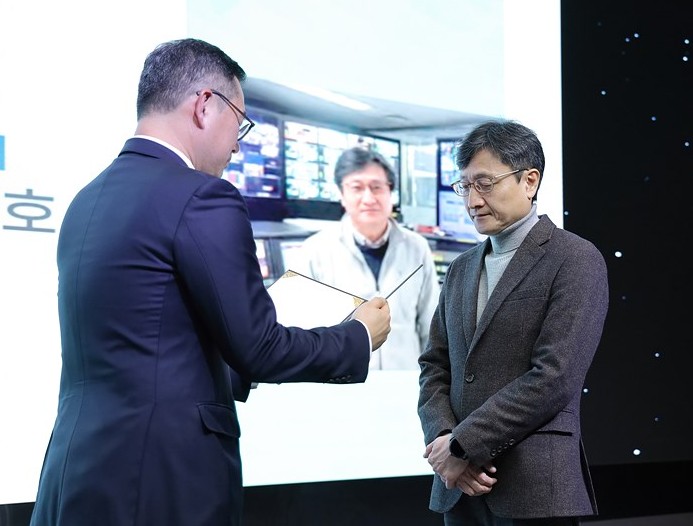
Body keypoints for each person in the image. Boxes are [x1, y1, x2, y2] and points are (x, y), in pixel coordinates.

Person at [29, 38, 391, 526]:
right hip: (163, 479)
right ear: (204, 105)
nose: (238, 145)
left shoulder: (86, 200)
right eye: (239, 122)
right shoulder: (203, 196)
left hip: (77, 472)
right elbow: (260, 348)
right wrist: (358, 336)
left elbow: (150, 344)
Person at [418, 119, 609, 525]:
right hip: (459, 488)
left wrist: (463, 446)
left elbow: (554, 376)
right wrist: (443, 440)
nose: (472, 200)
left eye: (485, 184)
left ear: (529, 181)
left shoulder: (575, 259)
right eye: (465, 186)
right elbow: (435, 365)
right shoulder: (460, 268)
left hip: (535, 488)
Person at [294, 146, 440, 370]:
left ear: (390, 192)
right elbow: (301, 333)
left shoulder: (416, 247)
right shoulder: (314, 251)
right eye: (357, 188)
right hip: (339, 382)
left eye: (377, 187)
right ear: (342, 194)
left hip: (405, 381)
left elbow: (431, 327)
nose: (368, 198)